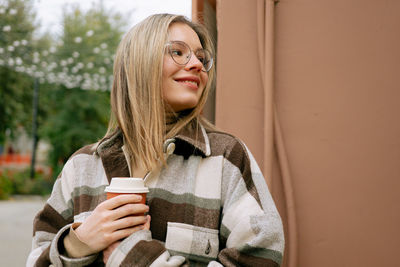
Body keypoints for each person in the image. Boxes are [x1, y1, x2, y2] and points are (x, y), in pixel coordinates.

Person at [27, 14, 284, 267]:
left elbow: (261, 260)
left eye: (201, 57)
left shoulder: (225, 158)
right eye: (178, 52)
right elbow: (36, 258)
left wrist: (138, 260)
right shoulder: (82, 165)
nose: (196, 64)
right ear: (139, 62)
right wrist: (77, 243)